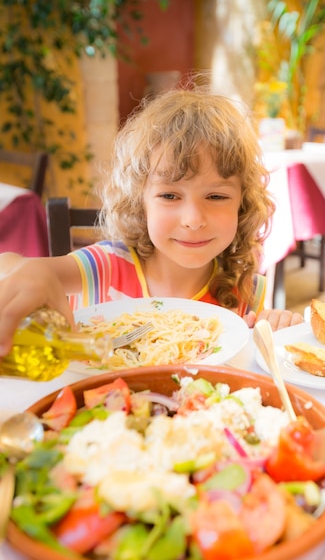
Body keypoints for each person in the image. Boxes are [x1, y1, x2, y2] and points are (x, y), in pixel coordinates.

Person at [0, 86, 303, 358]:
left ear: (242, 204)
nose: (193, 220)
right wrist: (32, 271)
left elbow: (251, 367)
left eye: (216, 197)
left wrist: (278, 329)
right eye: (170, 196)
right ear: (140, 201)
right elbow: (9, 266)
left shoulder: (247, 293)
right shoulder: (103, 267)